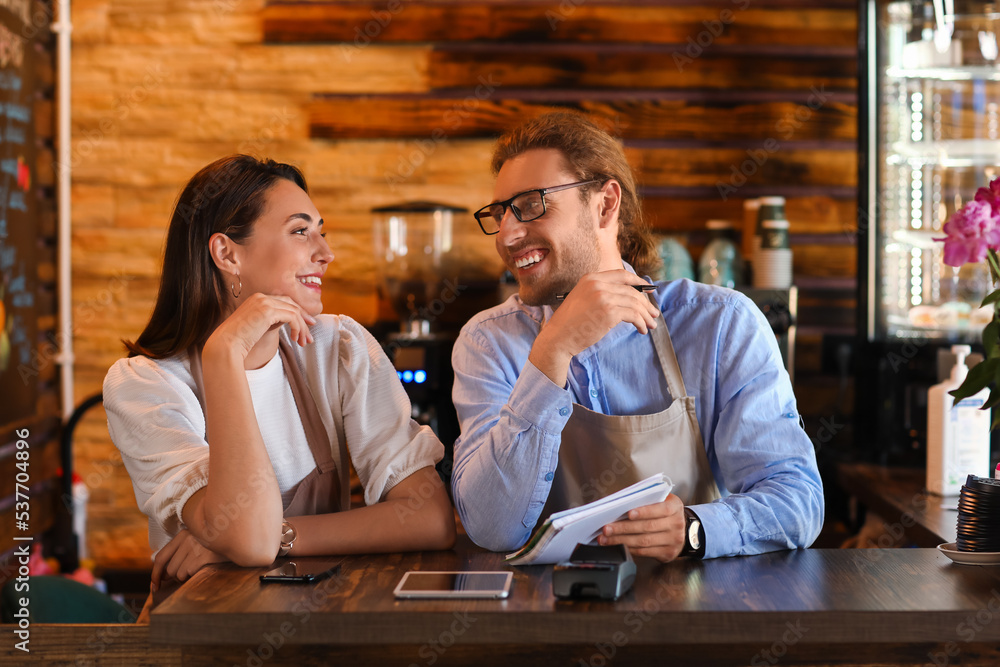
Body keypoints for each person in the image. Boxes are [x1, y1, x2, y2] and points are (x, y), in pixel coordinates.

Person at [451, 112, 823, 561]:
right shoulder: (487, 343)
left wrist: (695, 529)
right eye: (499, 213)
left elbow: (797, 500)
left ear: (606, 203)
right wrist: (552, 352)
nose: (508, 233)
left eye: (531, 205)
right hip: (546, 619)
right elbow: (491, 527)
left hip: (697, 615)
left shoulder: (722, 325)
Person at [104, 155, 455, 597]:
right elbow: (250, 539)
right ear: (227, 253)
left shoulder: (337, 348)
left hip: (317, 631)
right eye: (300, 231)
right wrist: (225, 354)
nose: (326, 253)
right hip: (202, 644)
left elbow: (430, 518)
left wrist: (279, 535)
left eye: (320, 231)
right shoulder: (143, 386)